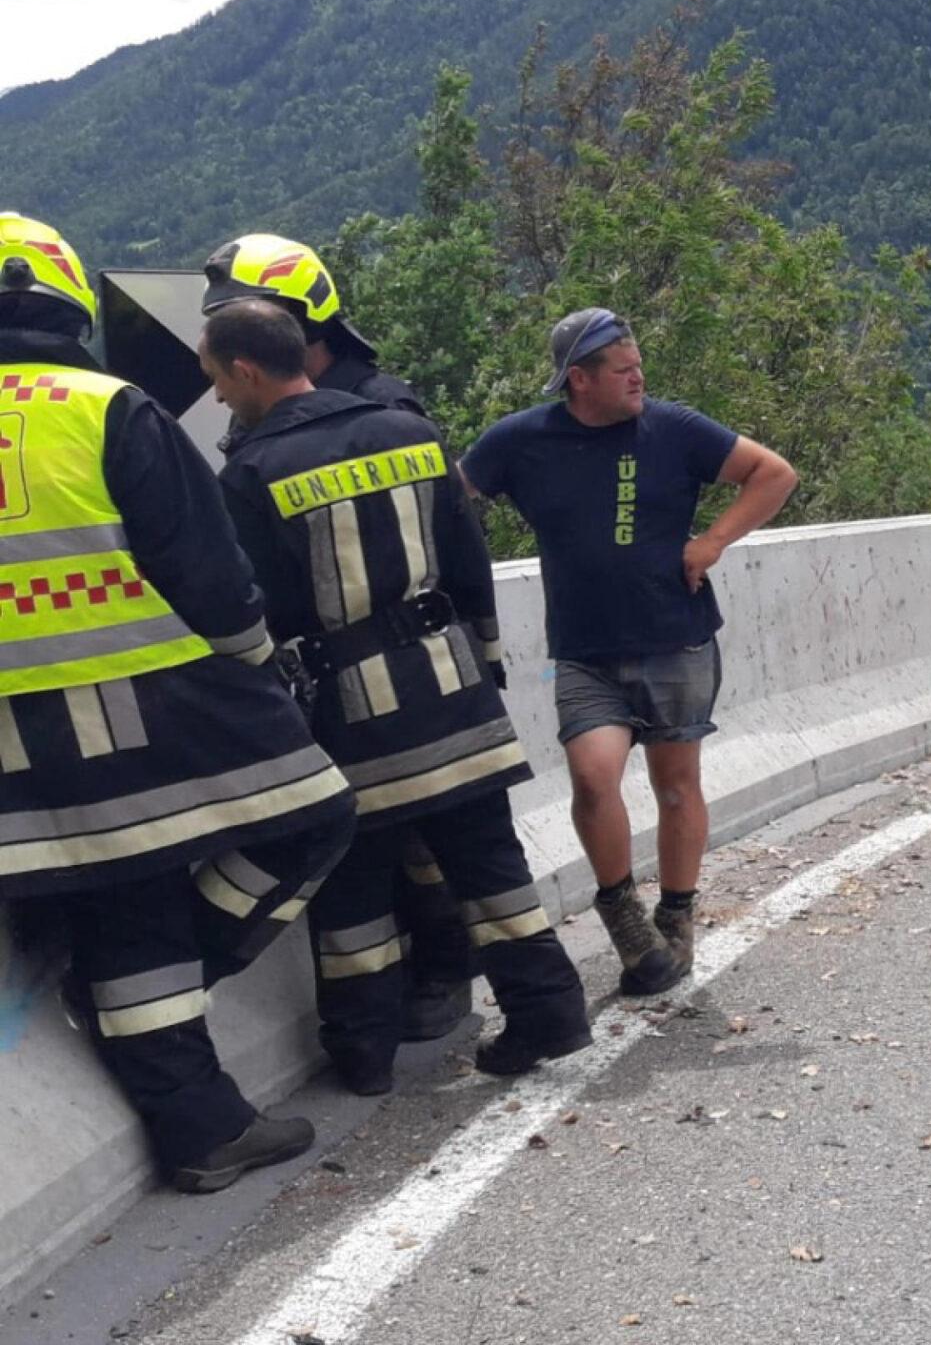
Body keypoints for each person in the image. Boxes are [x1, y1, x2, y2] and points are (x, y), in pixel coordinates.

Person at [0, 213, 356, 1191]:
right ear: (63, 296)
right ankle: (183, 978)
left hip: (16, 785)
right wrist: (256, 665)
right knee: (315, 812)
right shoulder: (102, 407)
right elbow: (208, 572)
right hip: (156, 726)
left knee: (126, 906)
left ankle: (203, 1129)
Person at [203, 299, 591, 1088]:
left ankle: (364, 1054)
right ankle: (549, 1013)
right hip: (455, 696)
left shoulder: (249, 475)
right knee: (493, 873)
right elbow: (467, 558)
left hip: (349, 725)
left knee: (352, 896)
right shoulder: (411, 433)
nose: (216, 397)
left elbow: (257, 613)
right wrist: (483, 665)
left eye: (215, 378)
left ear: (247, 370)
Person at [461, 308, 797, 994]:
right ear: (578, 381)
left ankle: (676, 915)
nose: (638, 375)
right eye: (622, 369)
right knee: (593, 775)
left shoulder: (673, 429)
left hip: (676, 635)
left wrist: (712, 542)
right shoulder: (521, 440)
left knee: (676, 785)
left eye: (638, 363)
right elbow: (450, 500)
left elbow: (773, 474)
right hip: (585, 649)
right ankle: (620, 911)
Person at [201, 232, 478, 1042]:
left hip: (416, 670)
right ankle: (376, 1018)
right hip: (324, 679)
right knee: (365, 853)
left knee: (424, 835)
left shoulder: (385, 409)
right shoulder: (268, 415)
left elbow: (450, 542)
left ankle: (443, 972)